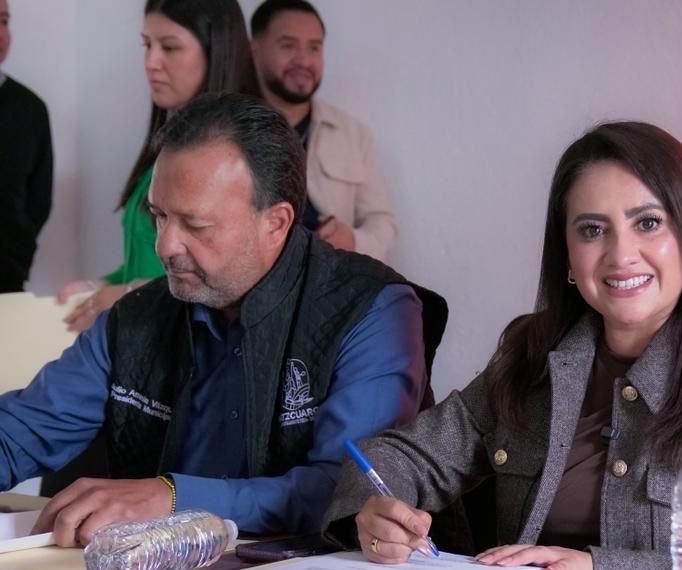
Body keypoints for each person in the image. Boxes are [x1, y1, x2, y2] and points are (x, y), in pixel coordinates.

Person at [323, 122, 682, 570]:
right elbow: (399, 456)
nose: (621, 255)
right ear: (567, 255)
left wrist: (594, 568)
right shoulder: (531, 353)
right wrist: (375, 510)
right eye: (592, 230)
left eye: (648, 223)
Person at [0, 92, 426, 546]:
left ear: (276, 223)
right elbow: (21, 431)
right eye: (159, 216)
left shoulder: (369, 309)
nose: (165, 246)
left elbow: (347, 491)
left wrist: (172, 498)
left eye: (195, 225)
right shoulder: (137, 318)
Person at [58, 0, 260, 332]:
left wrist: (127, 294)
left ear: (217, 50)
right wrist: (99, 287)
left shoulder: (243, 156)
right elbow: (148, 262)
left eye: (169, 47)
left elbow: (231, 283)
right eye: (146, 45)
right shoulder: (170, 146)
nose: (151, 62)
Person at [250, 0, 396, 260]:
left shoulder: (353, 134)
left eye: (314, 47)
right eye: (288, 45)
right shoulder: (224, 128)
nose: (303, 60)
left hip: (332, 278)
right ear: (255, 49)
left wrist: (352, 240)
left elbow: (381, 223)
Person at [0, 0, 54, 293]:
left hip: (6, 278)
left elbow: (39, 200)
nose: (1, 33)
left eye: (4, 21)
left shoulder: (30, 109)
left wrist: (17, 251)